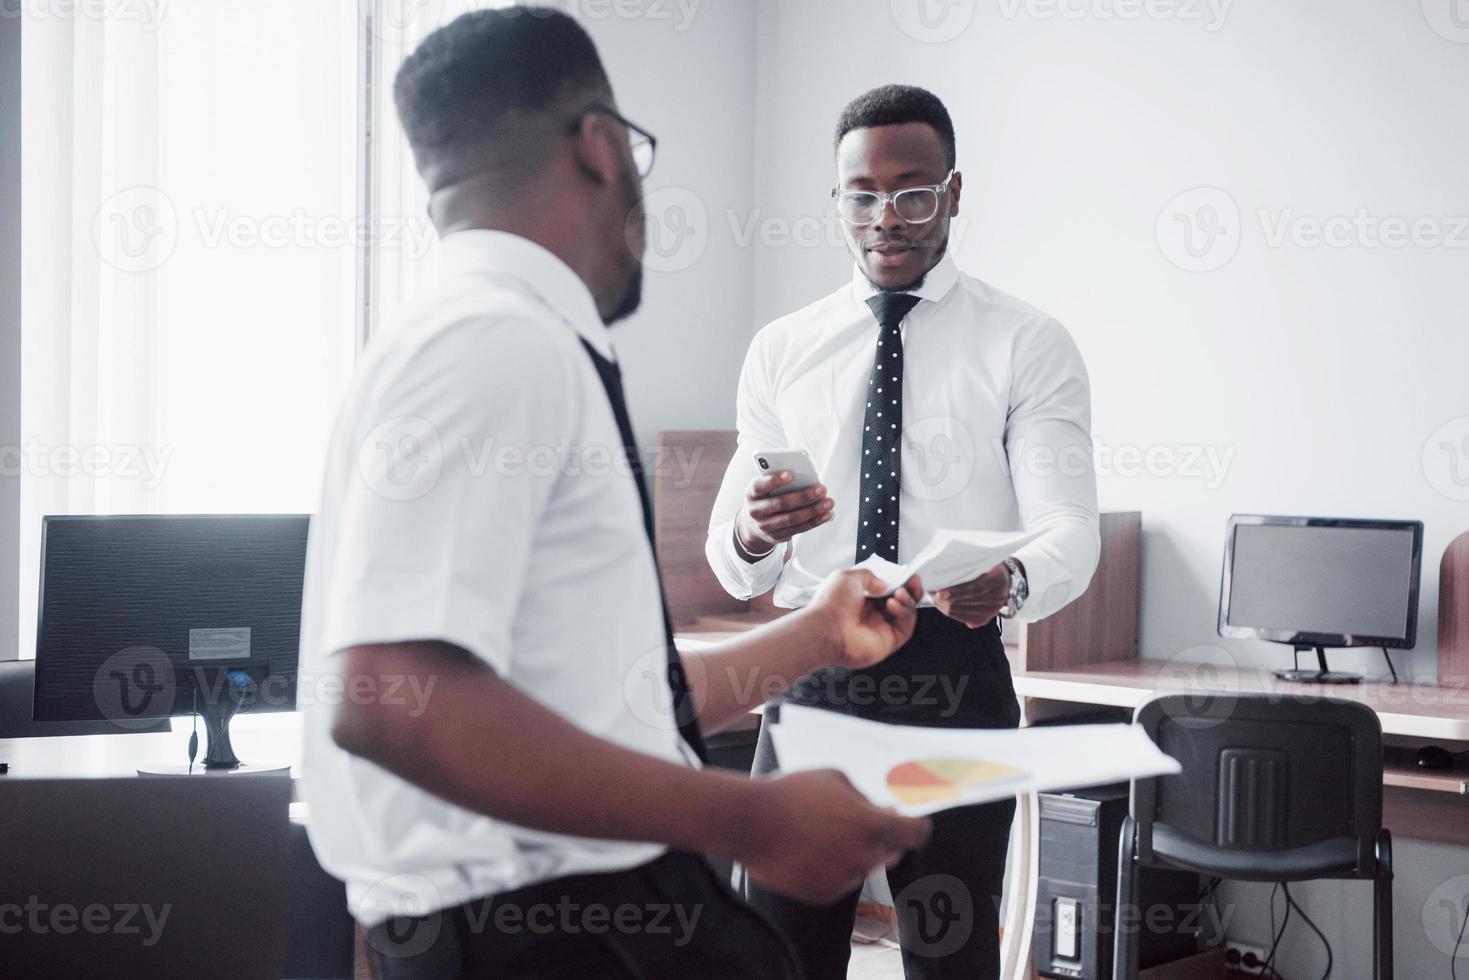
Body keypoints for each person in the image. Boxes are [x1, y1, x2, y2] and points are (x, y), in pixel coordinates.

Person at [298, 11, 931, 979]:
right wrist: (749, 814)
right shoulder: (494, 342)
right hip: (552, 935)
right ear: (599, 147)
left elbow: (608, 692)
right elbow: (388, 700)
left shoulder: (482, 339)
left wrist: (814, 635)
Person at [706, 84, 1101, 980]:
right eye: (862, 194)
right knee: (778, 957)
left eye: (913, 192)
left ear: (954, 194)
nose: (886, 218)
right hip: (812, 674)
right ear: (837, 201)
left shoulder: (1025, 342)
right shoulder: (782, 348)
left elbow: (1070, 531)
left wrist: (1011, 580)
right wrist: (754, 532)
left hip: (953, 675)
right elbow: (730, 572)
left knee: (948, 959)